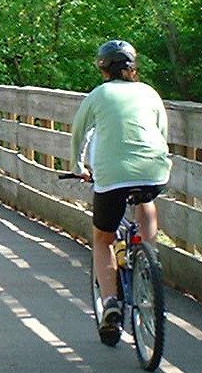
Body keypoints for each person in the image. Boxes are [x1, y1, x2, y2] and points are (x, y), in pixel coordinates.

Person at [70, 39, 171, 339]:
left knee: (103, 238)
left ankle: (110, 302)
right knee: (146, 200)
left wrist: (79, 167)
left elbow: (79, 133)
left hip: (112, 176)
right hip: (154, 170)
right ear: (132, 66)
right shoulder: (149, 92)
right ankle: (148, 260)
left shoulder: (98, 95)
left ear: (103, 67)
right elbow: (162, 131)